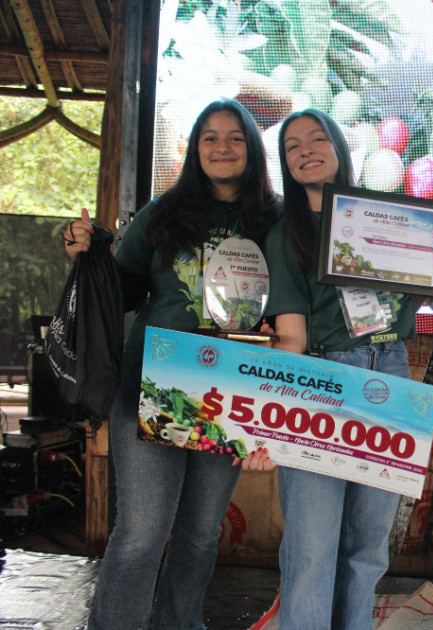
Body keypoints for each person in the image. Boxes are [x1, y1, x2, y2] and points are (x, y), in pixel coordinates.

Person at [64, 98, 280, 629]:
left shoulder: (276, 221)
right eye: (210, 136)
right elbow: (123, 288)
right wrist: (88, 254)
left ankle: (179, 624)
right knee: (141, 532)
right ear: (195, 149)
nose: (222, 147)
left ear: (251, 148)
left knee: (201, 534)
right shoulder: (162, 213)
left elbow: (291, 303)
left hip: (229, 390)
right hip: (152, 385)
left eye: (234, 137)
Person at [254, 108, 433, 629]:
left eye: (318, 139)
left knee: (368, 547)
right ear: (285, 164)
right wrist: (269, 421)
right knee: (312, 547)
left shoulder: (392, 218)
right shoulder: (285, 234)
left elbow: (427, 307)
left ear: (340, 148)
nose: (306, 150)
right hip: (321, 379)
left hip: (390, 373)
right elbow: (291, 338)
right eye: (292, 146)